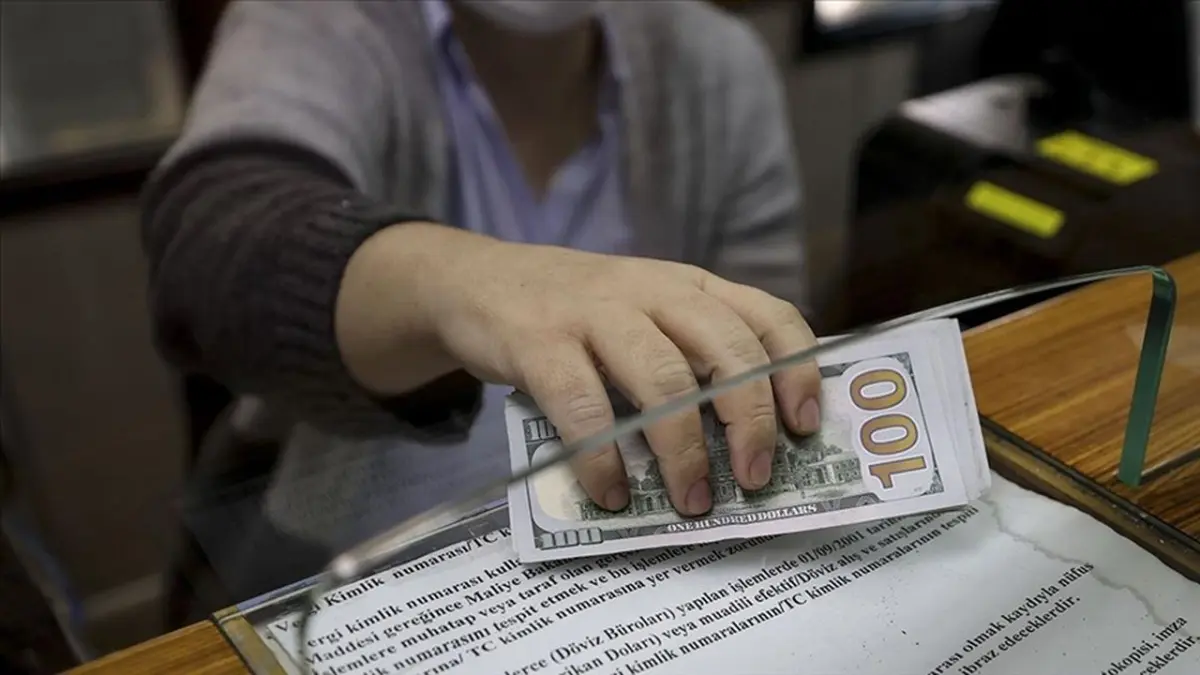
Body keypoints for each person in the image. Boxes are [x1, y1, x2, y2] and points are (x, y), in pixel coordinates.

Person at [144, 0, 822, 601]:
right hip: (357, 576)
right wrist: (467, 282)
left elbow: (759, 360)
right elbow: (209, 247)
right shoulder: (319, 20)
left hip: (654, 571)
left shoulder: (716, 62)